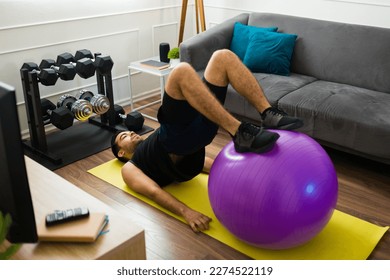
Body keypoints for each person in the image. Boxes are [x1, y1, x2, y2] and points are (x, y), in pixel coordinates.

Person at [111, 49, 303, 232]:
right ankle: (239, 131)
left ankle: (267, 112)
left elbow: (209, 165)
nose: (130, 134)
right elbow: (154, 192)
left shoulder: (160, 147)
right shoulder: (130, 168)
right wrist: (187, 212)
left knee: (223, 57)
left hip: (199, 135)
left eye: (127, 132)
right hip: (174, 138)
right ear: (121, 153)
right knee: (181, 71)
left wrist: (246, 177)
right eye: (123, 137)